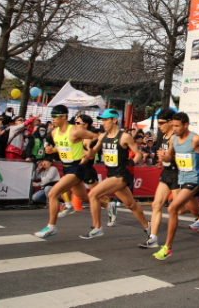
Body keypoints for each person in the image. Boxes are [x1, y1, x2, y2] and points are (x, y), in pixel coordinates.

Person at [153, 112, 199, 260]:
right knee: (195, 210)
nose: (174, 128)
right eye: (173, 125)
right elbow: (171, 156)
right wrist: (164, 158)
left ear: (186, 125)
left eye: (177, 126)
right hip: (181, 178)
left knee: (173, 208)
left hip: (194, 179)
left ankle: (167, 247)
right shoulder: (173, 139)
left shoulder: (195, 138)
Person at [33, 105, 98, 238]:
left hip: (77, 167)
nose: (53, 119)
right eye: (52, 117)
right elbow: (61, 145)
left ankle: (51, 227)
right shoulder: (53, 132)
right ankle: (109, 207)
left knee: (52, 193)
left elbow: (95, 136)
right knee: (84, 197)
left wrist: (89, 153)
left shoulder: (75, 131)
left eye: (56, 117)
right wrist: (52, 150)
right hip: (66, 167)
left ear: (64, 117)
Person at [84, 109, 150, 239]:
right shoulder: (102, 137)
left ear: (114, 120)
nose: (104, 123)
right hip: (111, 175)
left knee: (93, 194)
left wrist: (132, 162)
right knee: (131, 205)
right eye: (102, 120)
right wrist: (90, 148)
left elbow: (138, 153)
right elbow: (92, 155)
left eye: (106, 120)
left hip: (121, 175)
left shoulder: (124, 136)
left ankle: (97, 227)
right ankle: (149, 227)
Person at [139, 108, 179, 249]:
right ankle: (153, 238)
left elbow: (178, 157)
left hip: (177, 175)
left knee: (181, 209)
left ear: (170, 122)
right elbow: (167, 157)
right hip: (166, 174)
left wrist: (167, 158)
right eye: (158, 123)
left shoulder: (175, 137)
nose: (160, 125)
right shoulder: (163, 137)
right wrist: (162, 162)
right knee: (156, 205)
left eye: (162, 123)